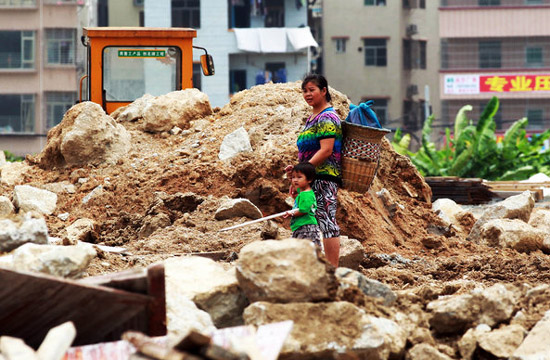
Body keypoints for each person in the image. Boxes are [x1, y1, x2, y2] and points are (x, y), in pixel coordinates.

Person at [285, 74, 343, 267]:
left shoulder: (327, 117)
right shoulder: (313, 118)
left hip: (324, 177)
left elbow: (326, 150)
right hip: (310, 177)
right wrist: (297, 174)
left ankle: (333, 271)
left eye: (312, 90)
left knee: (327, 222)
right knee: (311, 220)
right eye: (304, 91)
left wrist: (303, 173)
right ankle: (314, 266)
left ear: (324, 91)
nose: (307, 94)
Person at [283, 162, 321, 246]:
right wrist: (290, 176)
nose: (295, 180)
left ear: (309, 180)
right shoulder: (304, 192)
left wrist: (291, 213)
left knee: (304, 251)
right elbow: (296, 188)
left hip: (306, 228)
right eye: (293, 177)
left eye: (299, 177)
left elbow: (303, 210)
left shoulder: (305, 195)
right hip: (302, 227)